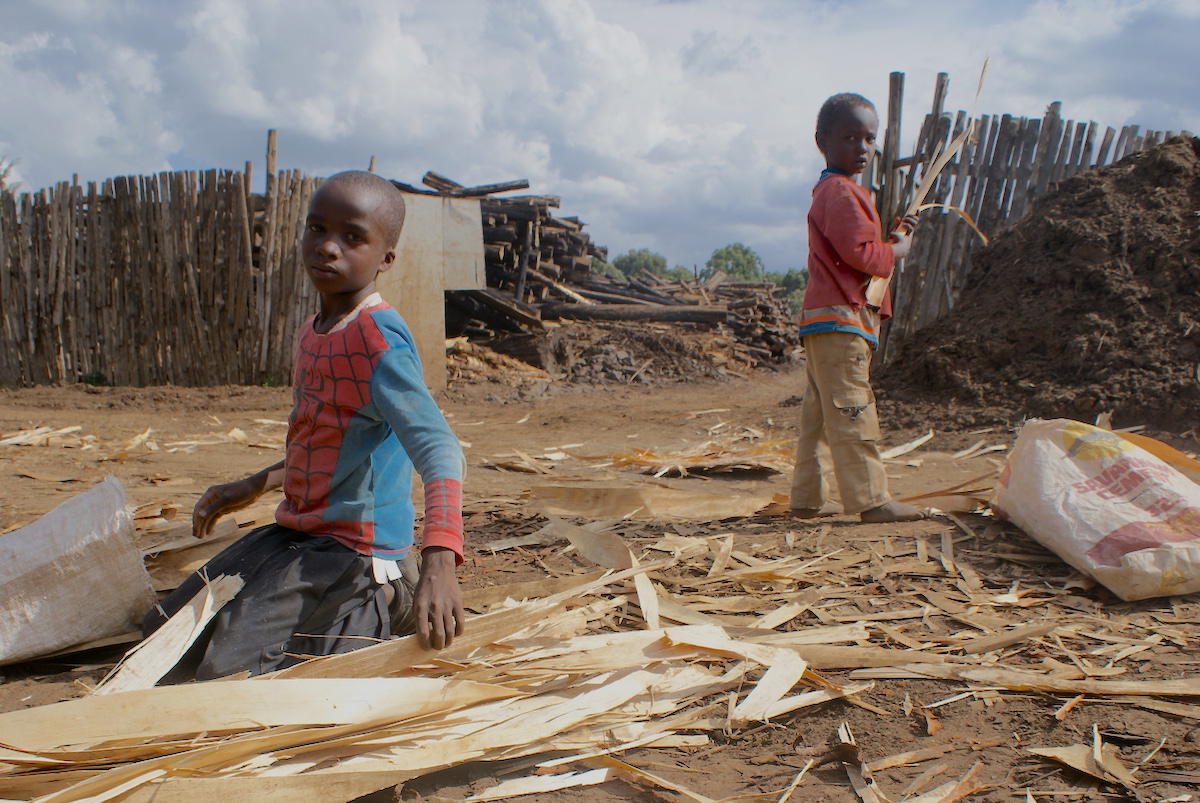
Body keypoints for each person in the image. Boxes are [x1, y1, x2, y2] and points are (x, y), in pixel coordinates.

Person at [144, 171, 467, 681]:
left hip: (354, 549)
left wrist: (440, 561)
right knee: (164, 632)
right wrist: (254, 484)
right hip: (298, 532)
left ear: (386, 258)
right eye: (317, 229)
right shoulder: (313, 332)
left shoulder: (380, 342)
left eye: (353, 237)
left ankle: (384, 600)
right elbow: (326, 439)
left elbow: (440, 449)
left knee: (224, 676)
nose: (328, 247)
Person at [790, 93, 925, 524]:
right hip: (840, 320)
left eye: (869, 139)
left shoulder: (833, 191)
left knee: (819, 414)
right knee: (852, 406)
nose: (862, 148)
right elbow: (861, 255)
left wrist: (890, 239)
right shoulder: (843, 193)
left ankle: (807, 498)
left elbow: (857, 249)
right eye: (850, 137)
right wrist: (896, 250)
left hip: (824, 321)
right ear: (821, 141)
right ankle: (871, 500)